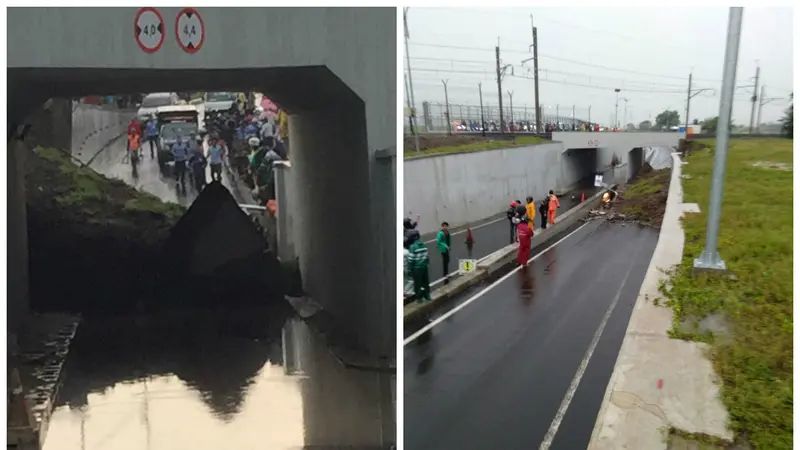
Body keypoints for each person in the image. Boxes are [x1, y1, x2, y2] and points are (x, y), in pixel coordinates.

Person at [407, 230, 431, 303]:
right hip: (424, 267)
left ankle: (419, 298)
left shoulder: (412, 247)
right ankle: (427, 296)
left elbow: (411, 260)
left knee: (417, 284)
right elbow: (427, 257)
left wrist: (409, 270)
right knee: (425, 282)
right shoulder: (424, 245)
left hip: (416, 269)